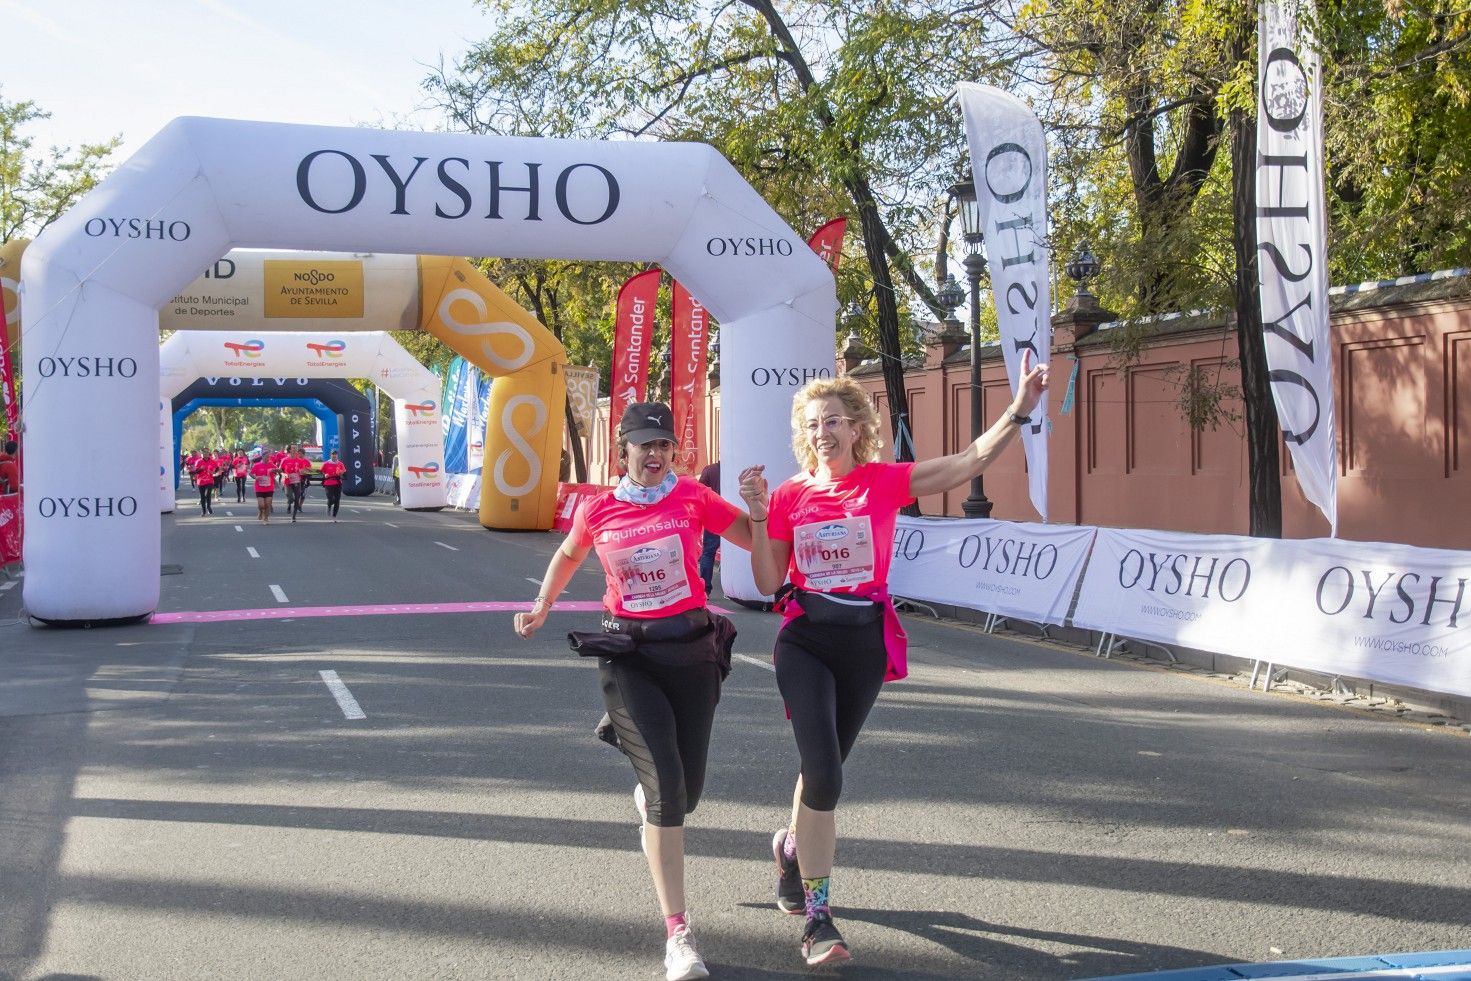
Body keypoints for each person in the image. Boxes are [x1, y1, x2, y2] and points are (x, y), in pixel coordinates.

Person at [739, 356, 1048, 967]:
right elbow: (770, 582)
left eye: (832, 421)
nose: (821, 432)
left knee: (822, 766)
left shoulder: (881, 481)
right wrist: (755, 511)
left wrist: (1019, 410)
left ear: (856, 428)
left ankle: (793, 852)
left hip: (863, 643)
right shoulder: (788, 496)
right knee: (824, 773)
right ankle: (819, 919)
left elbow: (967, 464)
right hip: (805, 639)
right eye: (811, 424)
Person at [512, 402, 760, 981]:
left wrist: (761, 514)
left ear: (675, 450)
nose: (655, 455)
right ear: (623, 450)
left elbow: (751, 537)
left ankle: (643, 772)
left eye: (664, 445)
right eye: (644, 445)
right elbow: (569, 552)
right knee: (668, 796)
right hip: (628, 653)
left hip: (692, 652)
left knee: (686, 794)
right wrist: (543, 604)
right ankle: (679, 934)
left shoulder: (695, 498)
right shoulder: (599, 509)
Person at [696, 461, 720, 593]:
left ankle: (705, 589)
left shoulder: (710, 470)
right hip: (734, 515)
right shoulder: (737, 470)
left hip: (713, 516)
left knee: (708, 552)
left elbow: (699, 491)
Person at [280, 445, 312, 522]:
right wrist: (283, 475)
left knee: (297, 499)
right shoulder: (285, 460)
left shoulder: (299, 460)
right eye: (293, 448)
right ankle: (289, 503)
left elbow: (303, 471)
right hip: (287, 481)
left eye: (296, 448)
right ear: (290, 450)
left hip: (297, 481)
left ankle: (293, 517)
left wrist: (304, 471)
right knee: (290, 497)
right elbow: (280, 470)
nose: (295, 450)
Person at [250, 452, 279, 524]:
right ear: (262, 457)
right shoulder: (257, 465)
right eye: (266, 457)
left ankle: (265, 518)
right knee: (261, 505)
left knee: (268, 504)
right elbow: (250, 473)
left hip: (269, 487)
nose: (267, 459)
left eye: (269, 457)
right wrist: (255, 477)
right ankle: (260, 512)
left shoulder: (271, 464)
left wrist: (275, 470)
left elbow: (279, 470)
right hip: (259, 487)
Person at [320, 450, 346, 522]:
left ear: (337, 455)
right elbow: (321, 471)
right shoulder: (326, 463)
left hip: (337, 483)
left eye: (335, 455)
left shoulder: (340, 464)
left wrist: (341, 473)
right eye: (332, 454)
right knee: (330, 498)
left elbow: (344, 473)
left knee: (337, 500)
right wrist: (325, 474)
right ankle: (328, 505)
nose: (334, 456)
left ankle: (334, 516)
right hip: (328, 483)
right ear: (330, 455)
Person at [193, 450, 218, 516]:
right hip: (201, 481)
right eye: (204, 453)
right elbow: (196, 471)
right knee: (202, 496)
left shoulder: (212, 461)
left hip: (209, 480)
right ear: (202, 454)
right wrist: (200, 469)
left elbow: (217, 469)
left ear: (209, 454)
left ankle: (208, 506)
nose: (205, 454)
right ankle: (204, 510)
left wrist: (213, 472)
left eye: (206, 453)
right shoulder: (199, 461)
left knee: (208, 494)